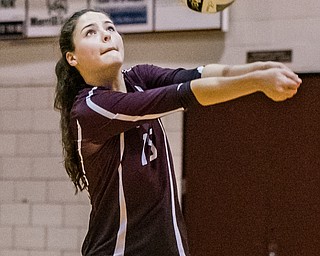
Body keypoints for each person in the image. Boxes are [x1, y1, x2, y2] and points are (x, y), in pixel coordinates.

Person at [54, 9, 301, 256]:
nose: (106, 36)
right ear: (72, 58)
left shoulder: (140, 77)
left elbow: (198, 74)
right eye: (91, 32)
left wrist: (256, 68)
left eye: (110, 28)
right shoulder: (90, 107)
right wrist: (257, 82)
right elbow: (183, 93)